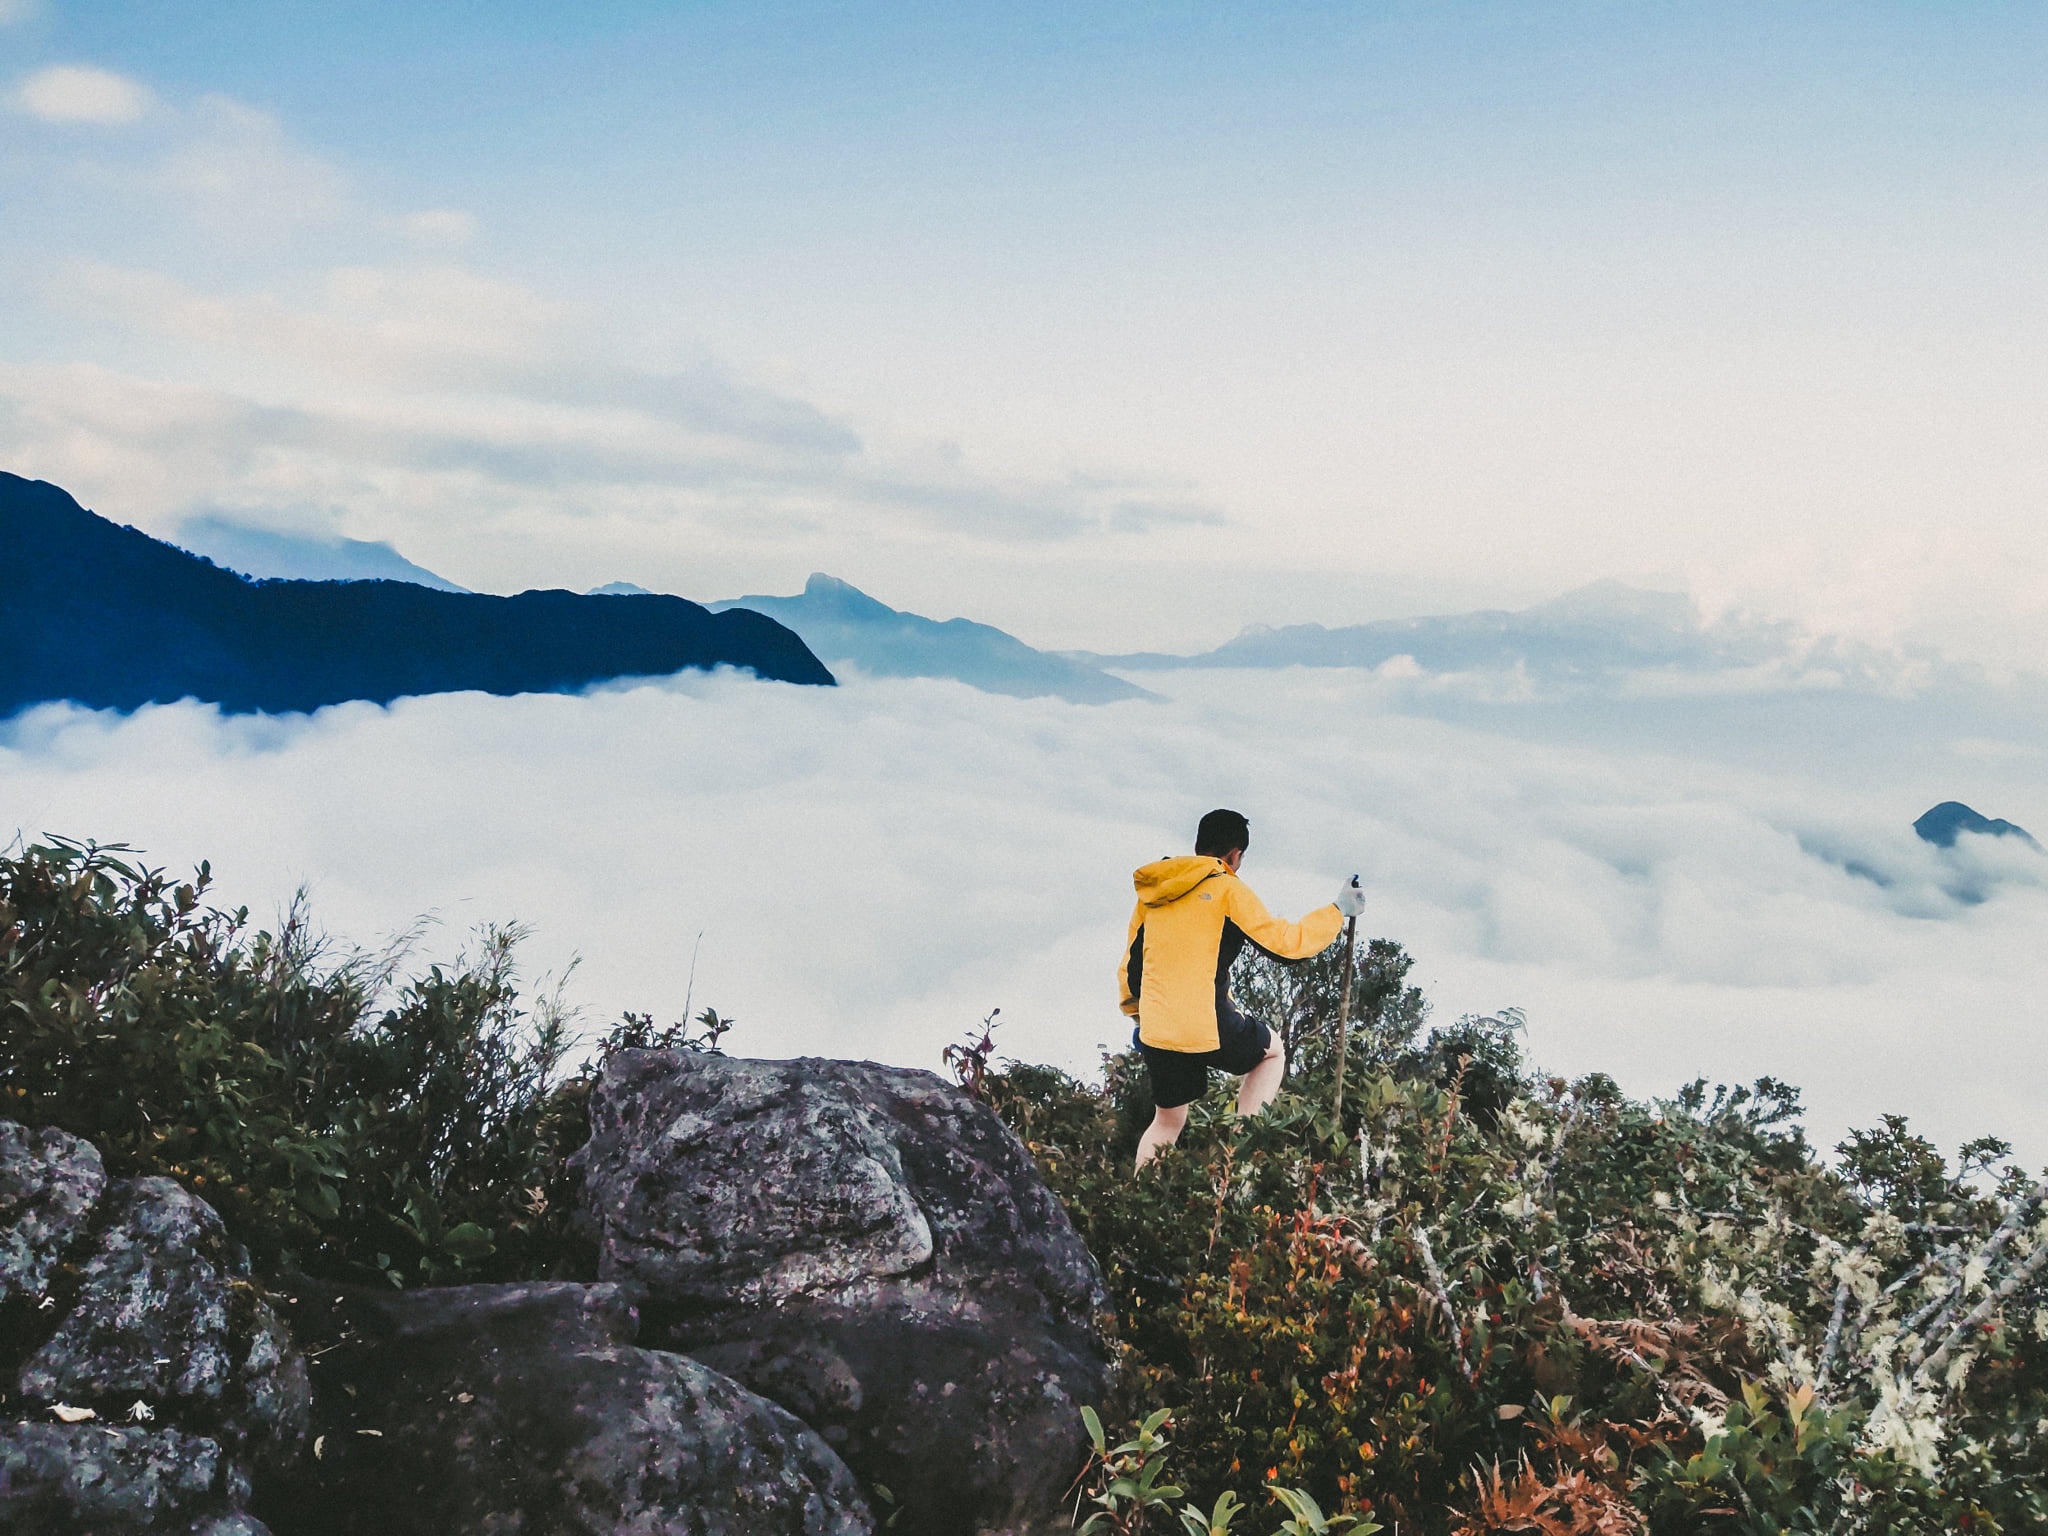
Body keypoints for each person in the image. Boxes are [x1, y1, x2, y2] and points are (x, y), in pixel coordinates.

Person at [1118, 808, 1364, 1169]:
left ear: (1198, 845)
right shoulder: (1227, 888)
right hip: (1206, 1021)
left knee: (1167, 1122)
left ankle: (1136, 1204)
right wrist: (1337, 910)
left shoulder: (1155, 892)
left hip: (1158, 1024)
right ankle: (1237, 1155)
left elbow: (1132, 963)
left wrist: (1139, 1015)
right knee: (1272, 1052)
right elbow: (1286, 945)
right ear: (1235, 855)